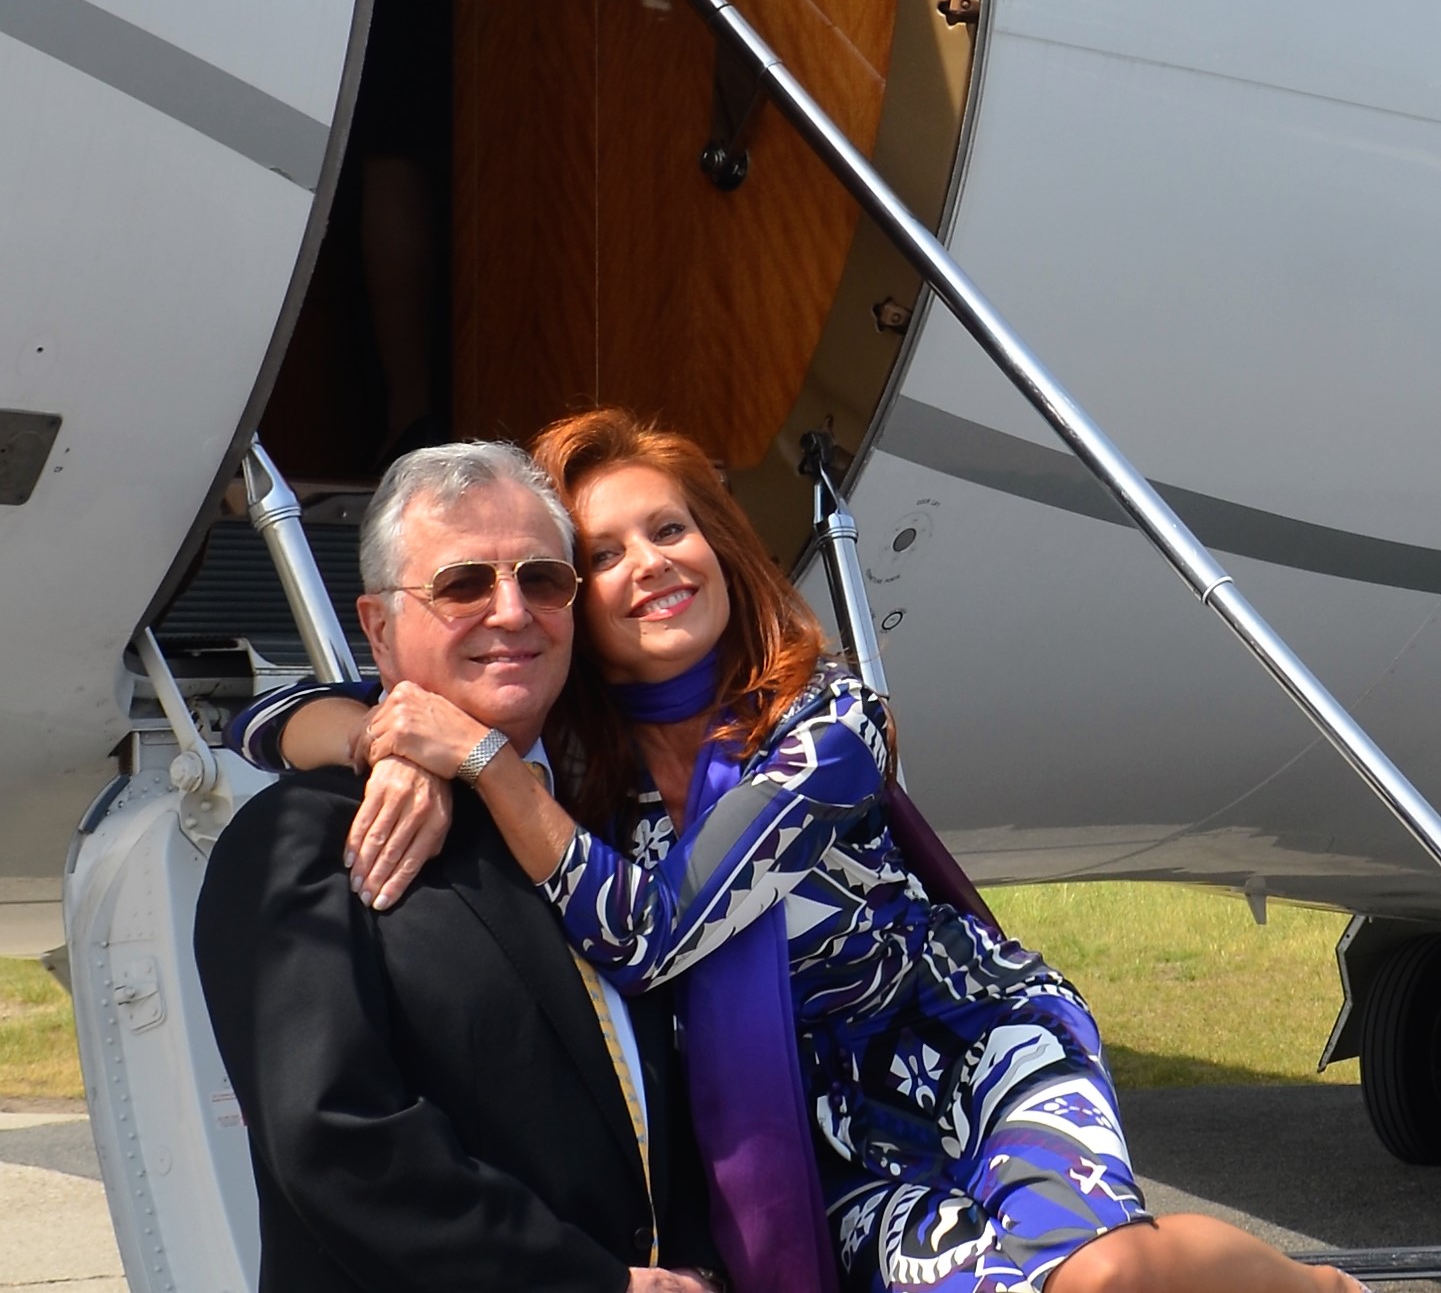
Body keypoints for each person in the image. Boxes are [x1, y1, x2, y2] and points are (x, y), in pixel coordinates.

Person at [233, 408, 1368, 1293]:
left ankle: (1308, 1282)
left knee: (1095, 1274)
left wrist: (475, 756)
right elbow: (270, 711)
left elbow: (657, 928)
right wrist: (390, 738)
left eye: (668, 528)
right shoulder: (585, 786)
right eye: (603, 553)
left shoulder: (824, 729)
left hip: (967, 1047)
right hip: (821, 1121)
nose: (647, 566)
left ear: (720, 546)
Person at [195, 440, 724, 1292]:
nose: (511, 612)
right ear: (377, 627)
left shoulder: (620, 825)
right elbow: (338, 1139)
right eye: (462, 584)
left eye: (543, 580)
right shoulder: (301, 839)